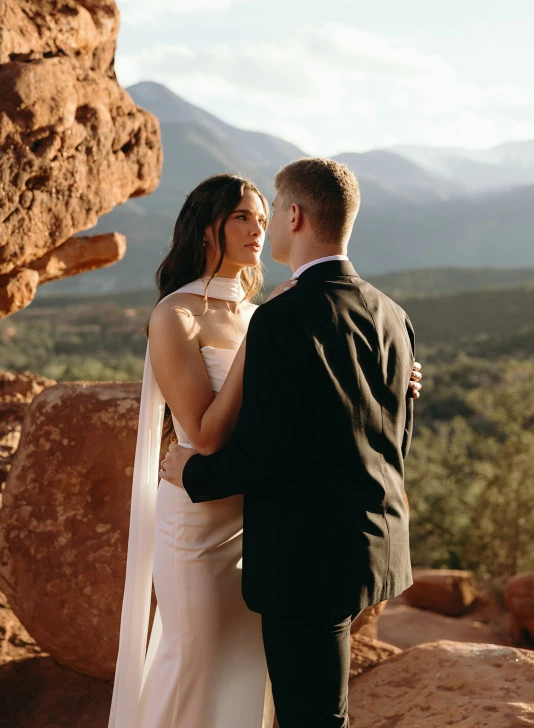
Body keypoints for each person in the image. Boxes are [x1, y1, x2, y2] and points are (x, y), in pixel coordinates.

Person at [110, 168, 422, 728]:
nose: (258, 228)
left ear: (292, 217)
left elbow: (322, 414)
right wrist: (258, 339)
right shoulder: (178, 314)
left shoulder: (272, 313)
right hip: (202, 519)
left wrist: (394, 382)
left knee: (253, 676)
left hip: (268, 521)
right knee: (196, 661)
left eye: (264, 214)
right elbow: (206, 434)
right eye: (242, 217)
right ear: (205, 228)